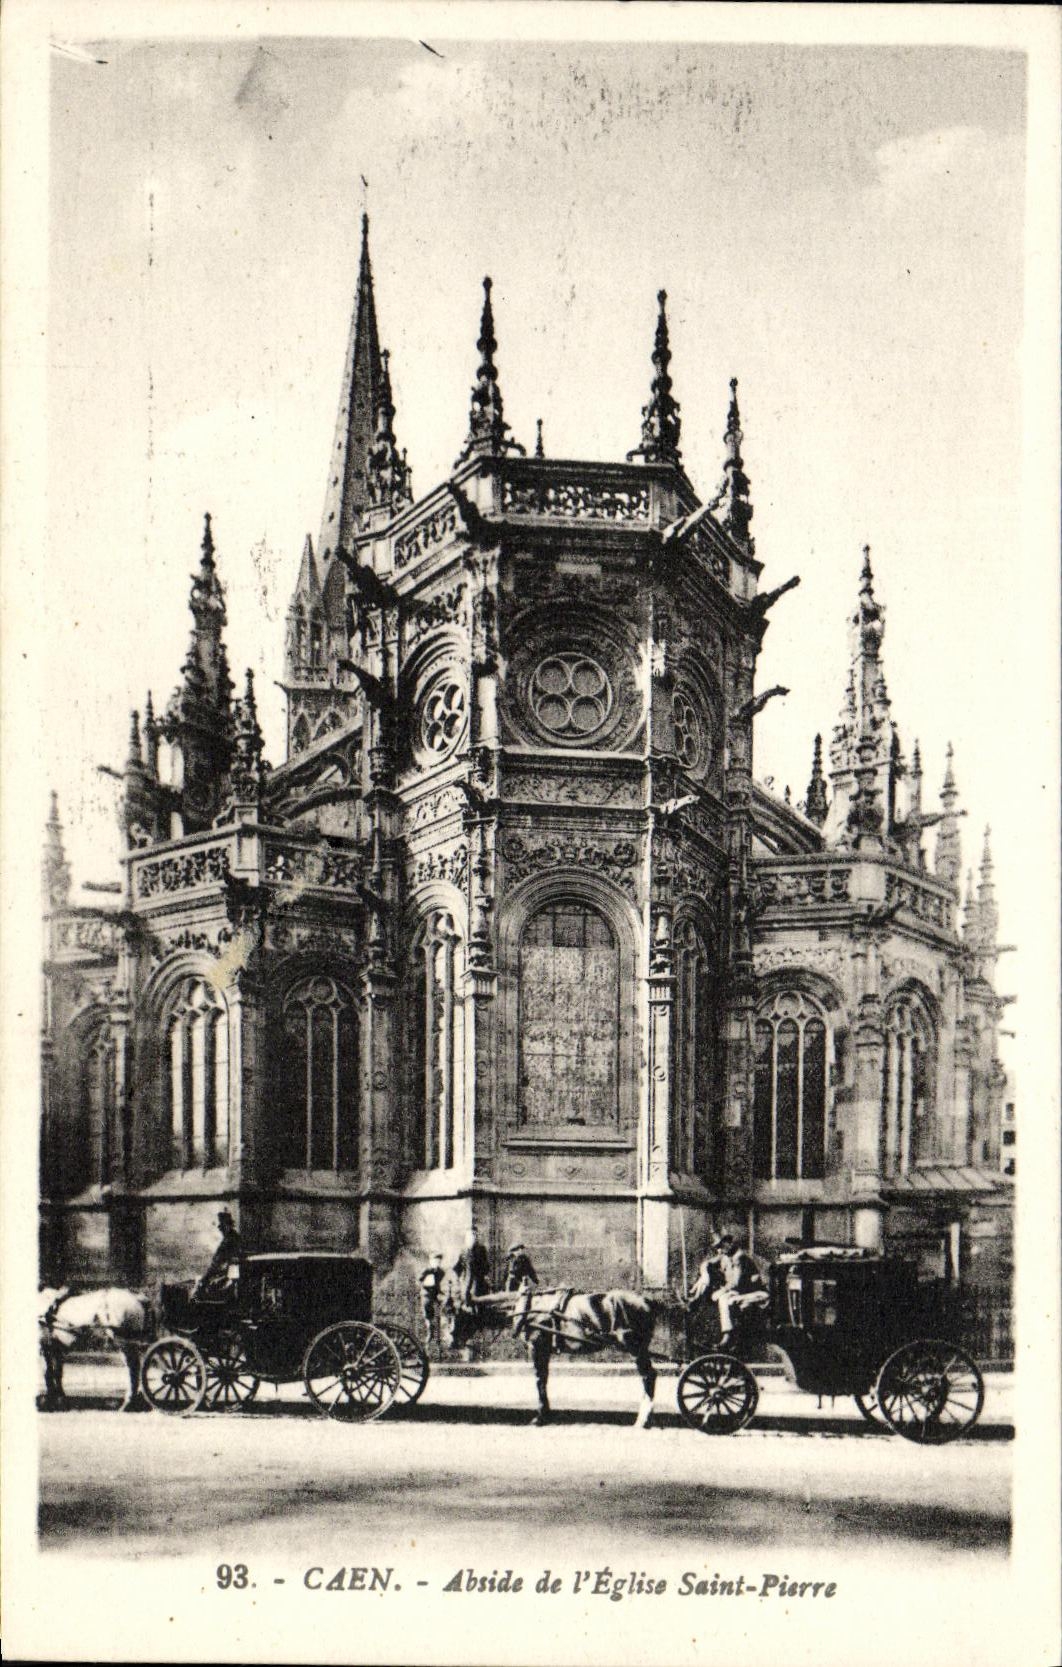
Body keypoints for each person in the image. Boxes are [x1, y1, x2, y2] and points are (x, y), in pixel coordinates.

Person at [712, 1233, 767, 1346]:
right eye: (718, 1248)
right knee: (725, 1299)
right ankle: (730, 1335)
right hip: (742, 1293)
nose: (720, 1251)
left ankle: (730, 1336)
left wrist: (722, 1291)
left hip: (756, 1293)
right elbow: (710, 1263)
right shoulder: (727, 1257)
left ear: (729, 1243)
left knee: (726, 1299)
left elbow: (736, 1282)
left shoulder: (739, 1257)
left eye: (721, 1246)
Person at [196, 1209, 241, 1298]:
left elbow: (219, 1262)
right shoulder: (231, 1238)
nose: (220, 1228)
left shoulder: (231, 1240)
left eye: (222, 1225)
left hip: (229, 1276)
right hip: (226, 1274)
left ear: (228, 1225)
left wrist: (206, 1278)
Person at [453, 1226, 491, 1306]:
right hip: (466, 1281)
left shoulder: (481, 1249)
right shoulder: (463, 1251)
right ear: (466, 1238)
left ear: (476, 1237)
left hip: (478, 1280)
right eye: (469, 1236)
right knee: (465, 1300)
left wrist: (484, 1275)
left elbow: (486, 1265)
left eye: (474, 1235)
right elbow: (457, 1267)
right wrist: (458, 1278)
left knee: (477, 1301)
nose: (472, 1238)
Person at [418, 1252, 446, 1342]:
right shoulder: (426, 1270)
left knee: (439, 1313)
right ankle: (430, 1329)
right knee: (427, 1312)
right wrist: (425, 1284)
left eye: (438, 1261)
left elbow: (443, 1283)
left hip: (437, 1295)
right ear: (431, 1261)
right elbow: (419, 1281)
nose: (437, 1263)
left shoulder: (441, 1272)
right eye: (435, 1261)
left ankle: (439, 1334)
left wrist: (441, 1291)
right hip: (427, 1295)